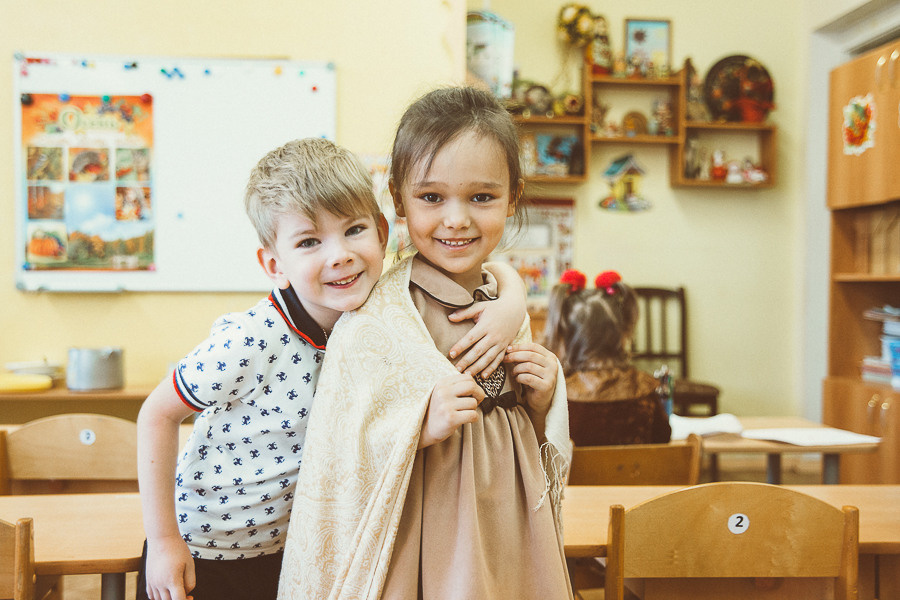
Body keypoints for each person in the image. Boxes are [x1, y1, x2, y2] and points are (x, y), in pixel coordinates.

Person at [136, 137, 528, 600]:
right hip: (204, 552)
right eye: (309, 241)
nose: (338, 254)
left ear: (383, 234)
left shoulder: (384, 316)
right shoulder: (250, 340)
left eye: (353, 230)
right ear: (274, 264)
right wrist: (163, 542)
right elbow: (157, 414)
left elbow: (482, 268)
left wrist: (513, 302)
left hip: (300, 550)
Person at [278, 87, 573, 599]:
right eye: (431, 197)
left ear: (514, 197)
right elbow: (342, 447)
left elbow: (523, 414)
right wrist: (417, 423)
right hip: (430, 528)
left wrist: (543, 395)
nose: (455, 219)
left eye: (481, 197)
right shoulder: (379, 314)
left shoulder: (501, 301)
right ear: (397, 198)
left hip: (511, 516)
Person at [544, 269, 672, 446]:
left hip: (580, 475)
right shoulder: (645, 393)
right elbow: (663, 441)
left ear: (565, 335)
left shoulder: (559, 399)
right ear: (623, 333)